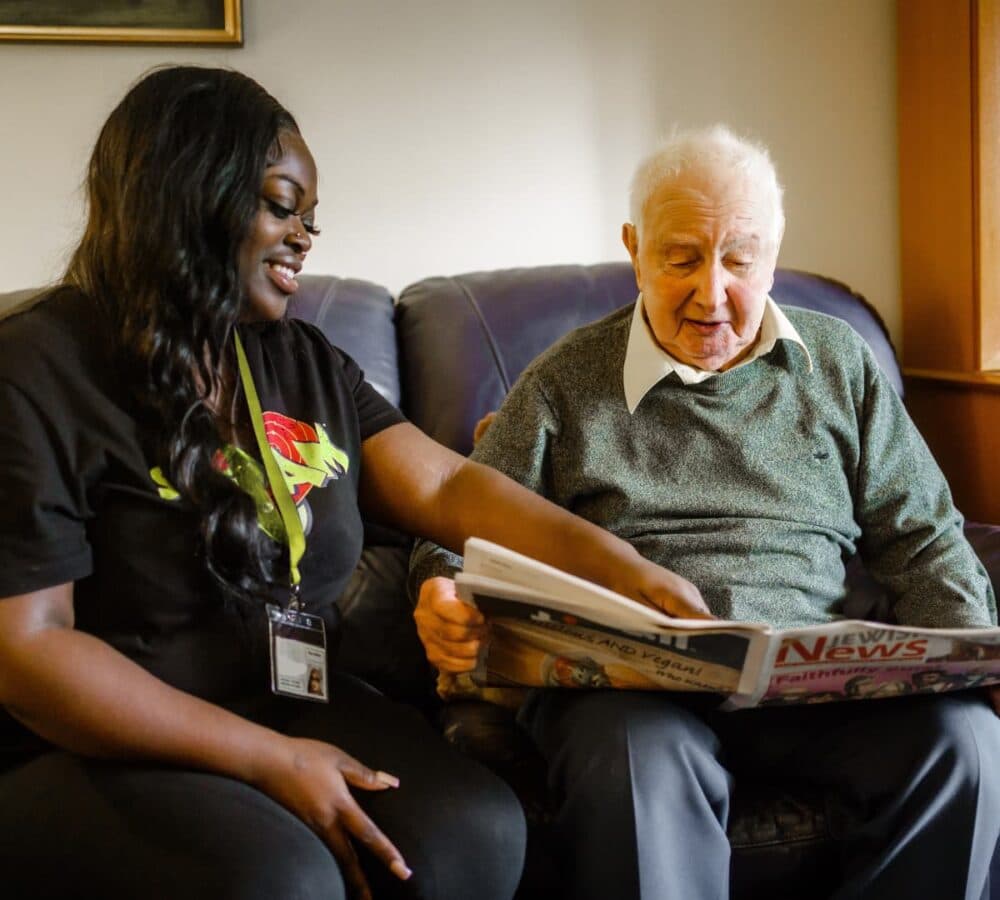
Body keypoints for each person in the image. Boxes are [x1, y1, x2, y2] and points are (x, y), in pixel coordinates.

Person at [0, 66, 710, 900]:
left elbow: (445, 487)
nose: (305, 236)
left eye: (311, 217)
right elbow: (31, 651)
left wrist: (625, 569)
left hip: (289, 698)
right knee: (283, 878)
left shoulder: (294, 358)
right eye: (279, 204)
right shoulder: (35, 370)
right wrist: (268, 761)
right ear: (188, 192)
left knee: (477, 831)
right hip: (92, 744)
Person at [411, 125, 1000, 900]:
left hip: (812, 688)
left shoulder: (839, 361)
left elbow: (922, 538)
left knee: (966, 743)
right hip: (631, 697)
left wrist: (970, 664)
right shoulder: (563, 381)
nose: (712, 291)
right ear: (635, 248)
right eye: (682, 257)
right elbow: (458, 515)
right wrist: (442, 590)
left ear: (775, 249)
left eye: (740, 258)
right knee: (632, 756)